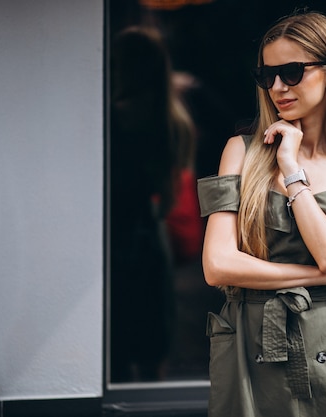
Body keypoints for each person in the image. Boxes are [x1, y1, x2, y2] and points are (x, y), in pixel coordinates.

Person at [197, 10, 326, 417]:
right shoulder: (241, 151)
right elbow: (217, 266)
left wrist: (291, 168)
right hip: (251, 345)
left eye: (293, 71)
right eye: (267, 76)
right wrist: (324, 276)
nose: (278, 87)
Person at [109, 25, 196, 381]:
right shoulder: (175, 119)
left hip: (115, 236)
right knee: (151, 346)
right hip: (150, 236)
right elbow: (170, 195)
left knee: (114, 350)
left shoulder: (112, 117)